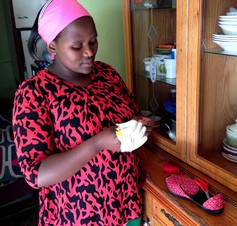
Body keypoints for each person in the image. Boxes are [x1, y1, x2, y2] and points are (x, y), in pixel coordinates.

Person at [12, 0, 153, 225]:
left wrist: (139, 124)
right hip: (79, 215)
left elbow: (131, 115)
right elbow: (36, 174)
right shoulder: (34, 93)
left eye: (93, 41)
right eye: (77, 46)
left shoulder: (107, 74)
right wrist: (97, 144)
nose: (89, 52)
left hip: (127, 203)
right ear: (52, 46)